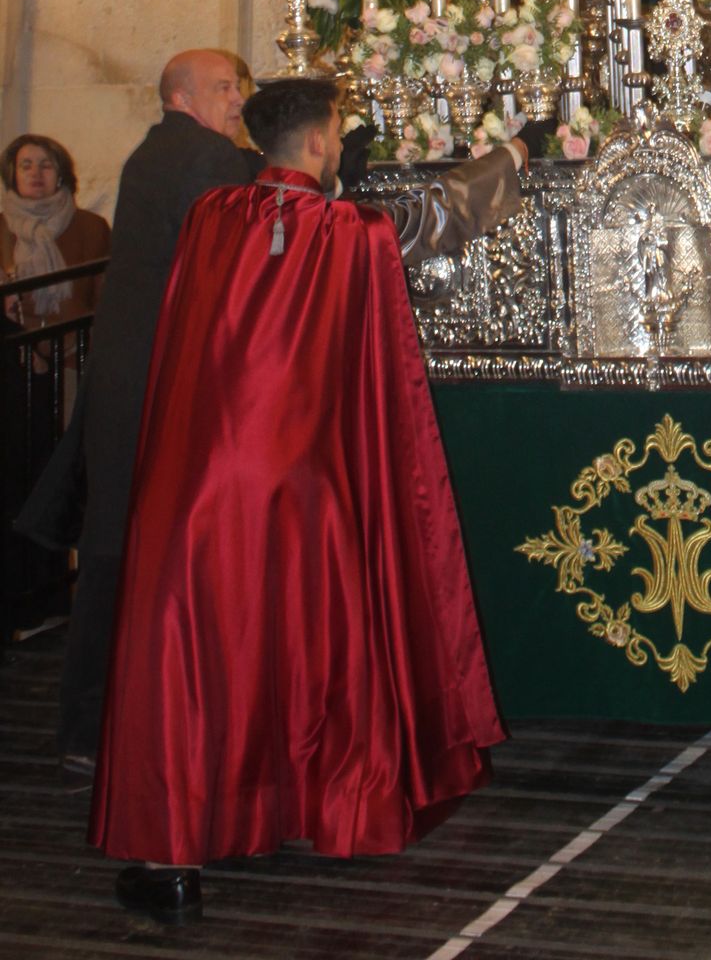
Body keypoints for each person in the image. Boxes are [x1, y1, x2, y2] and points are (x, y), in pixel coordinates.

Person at [92, 76, 505, 919]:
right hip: (304, 485)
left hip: (199, 482)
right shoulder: (347, 232)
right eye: (337, 131)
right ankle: (322, 802)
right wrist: (511, 159)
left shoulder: (211, 217)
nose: (339, 142)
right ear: (318, 141)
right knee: (304, 644)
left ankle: (174, 856)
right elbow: (435, 220)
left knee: (200, 655)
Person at [17, 49, 255, 772]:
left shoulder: (158, 153)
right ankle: (99, 729)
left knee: (116, 549)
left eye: (240, 89)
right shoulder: (201, 154)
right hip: (153, 383)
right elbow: (266, 211)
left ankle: (95, 725)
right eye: (223, 88)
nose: (236, 100)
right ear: (180, 97)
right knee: (125, 551)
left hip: (130, 380)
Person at [0, 135, 110, 330]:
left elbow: (107, 299)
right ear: (13, 176)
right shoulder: (2, 228)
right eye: (26, 166)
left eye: (46, 166)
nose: (36, 173)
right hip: (17, 345)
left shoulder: (92, 227)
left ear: (60, 176)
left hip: (78, 343)